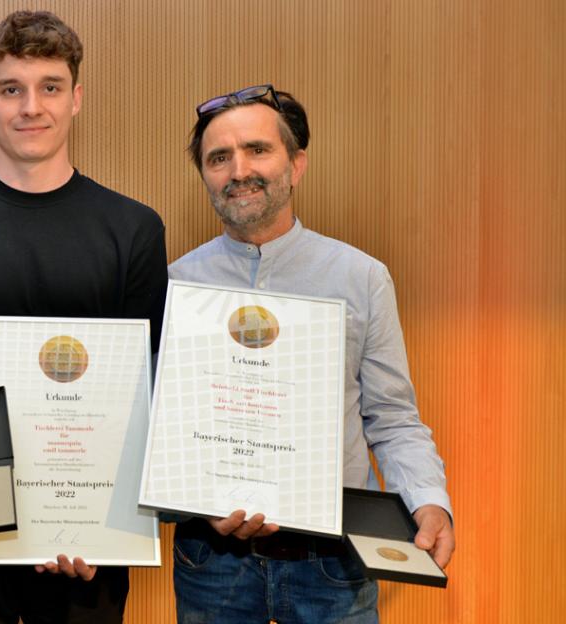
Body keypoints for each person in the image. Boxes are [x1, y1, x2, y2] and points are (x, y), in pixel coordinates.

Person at [0, 10, 168, 624]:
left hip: (88, 530)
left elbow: (146, 386)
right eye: (11, 89)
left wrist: (110, 522)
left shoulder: (134, 230)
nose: (30, 106)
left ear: (77, 99)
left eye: (50, 87)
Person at [168, 84, 455, 623]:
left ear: (296, 164)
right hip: (213, 565)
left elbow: (391, 418)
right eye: (219, 157)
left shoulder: (361, 277)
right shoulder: (176, 285)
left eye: (258, 149)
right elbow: (167, 431)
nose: (238, 170)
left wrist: (429, 499)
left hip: (332, 566)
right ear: (205, 175)